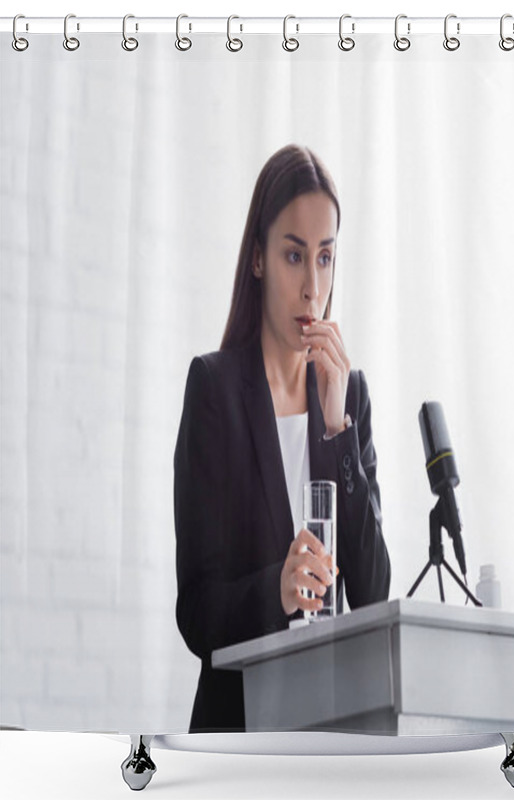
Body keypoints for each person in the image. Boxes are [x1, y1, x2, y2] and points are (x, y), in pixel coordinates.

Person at [173, 144, 391, 733]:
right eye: (295, 256)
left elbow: (373, 594)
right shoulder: (215, 389)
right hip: (240, 728)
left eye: (326, 258)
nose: (312, 288)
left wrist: (338, 424)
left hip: (336, 724)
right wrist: (279, 590)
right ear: (259, 260)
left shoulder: (351, 397)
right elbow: (196, 613)